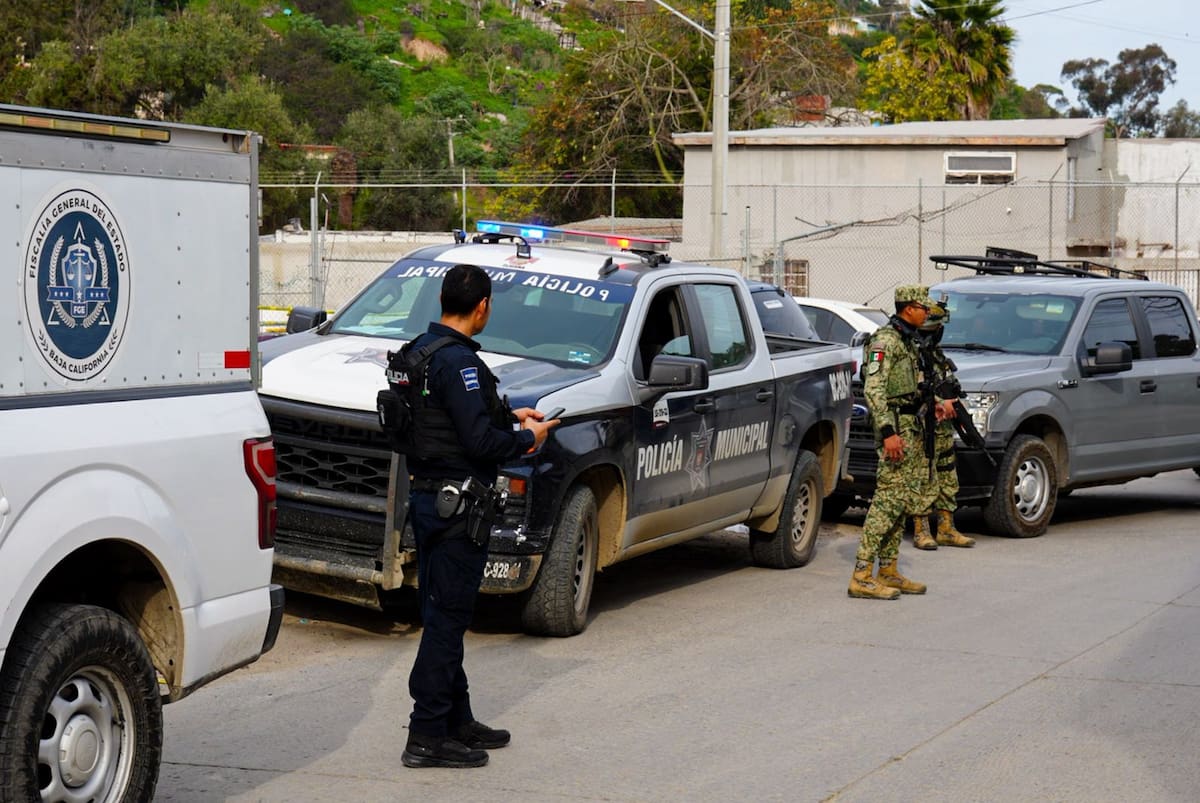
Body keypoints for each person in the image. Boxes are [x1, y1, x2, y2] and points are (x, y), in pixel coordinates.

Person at [399, 264, 559, 769]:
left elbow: (448, 418)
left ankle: (455, 719)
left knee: (445, 613)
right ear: (483, 306)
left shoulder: (419, 354)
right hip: (458, 509)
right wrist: (527, 438)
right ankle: (426, 735)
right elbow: (480, 442)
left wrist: (513, 415)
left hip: (428, 500)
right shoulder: (461, 364)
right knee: (447, 620)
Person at [848, 285, 935, 600]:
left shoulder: (906, 340)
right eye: (923, 307)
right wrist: (888, 433)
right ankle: (861, 575)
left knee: (901, 502)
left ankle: (888, 569)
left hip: (910, 427)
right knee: (887, 502)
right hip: (895, 430)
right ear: (909, 308)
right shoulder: (885, 341)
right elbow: (874, 389)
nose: (927, 313)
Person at [911, 297, 976, 550]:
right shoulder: (911, 355)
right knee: (923, 478)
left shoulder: (936, 356)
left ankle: (947, 528)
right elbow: (912, 390)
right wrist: (939, 401)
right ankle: (921, 530)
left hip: (942, 428)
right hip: (922, 428)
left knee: (948, 474)